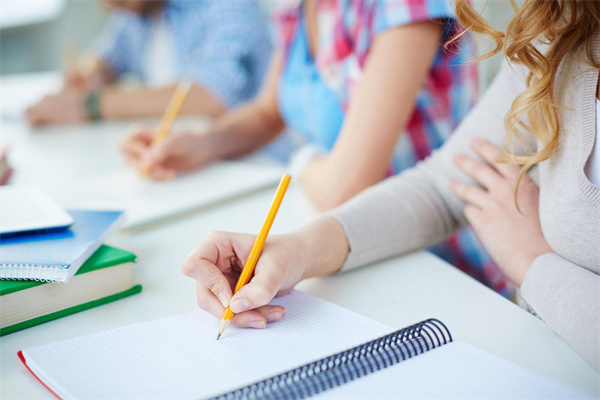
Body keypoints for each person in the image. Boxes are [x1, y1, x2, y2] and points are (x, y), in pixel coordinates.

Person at [180, 0, 600, 369]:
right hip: (531, 342)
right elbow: (441, 184)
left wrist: (534, 264)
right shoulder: (564, 33)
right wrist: (295, 251)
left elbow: (343, 184)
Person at [122, 0, 510, 296]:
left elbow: (344, 186)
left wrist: (302, 160)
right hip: (341, 239)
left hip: (437, 256)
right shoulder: (299, 8)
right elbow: (267, 112)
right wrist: (202, 143)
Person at [26, 0, 272, 125]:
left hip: (252, 167)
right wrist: (92, 74)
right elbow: (108, 56)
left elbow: (210, 96)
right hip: (177, 158)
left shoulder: (226, 6)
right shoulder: (137, 11)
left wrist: (89, 105)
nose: (106, 5)